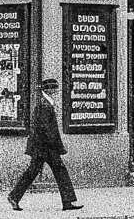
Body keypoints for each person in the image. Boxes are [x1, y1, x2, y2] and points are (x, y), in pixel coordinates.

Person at [6, 77, 81, 211]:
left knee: (34, 172)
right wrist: (57, 146)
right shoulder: (45, 105)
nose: (57, 92)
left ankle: (14, 196)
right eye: (55, 89)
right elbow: (48, 129)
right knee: (59, 171)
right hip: (45, 147)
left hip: (42, 146)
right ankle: (67, 201)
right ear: (50, 90)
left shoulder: (44, 103)